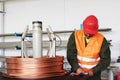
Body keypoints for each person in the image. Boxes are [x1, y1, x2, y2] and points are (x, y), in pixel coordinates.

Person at [67, 15, 111, 80]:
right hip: (77, 75)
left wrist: (94, 71)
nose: (88, 34)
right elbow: (70, 55)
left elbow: (106, 60)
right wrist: (76, 68)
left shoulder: (101, 40)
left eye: (90, 33)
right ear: (83, 27)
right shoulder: (75, 36)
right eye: (87, 32)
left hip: (94, 77)